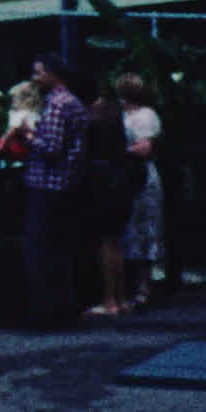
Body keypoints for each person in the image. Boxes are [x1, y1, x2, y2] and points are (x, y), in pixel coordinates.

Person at [22, 52, 89, 328]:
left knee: (42, 250)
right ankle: (63, 309)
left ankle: (48, 314)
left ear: (52, 74)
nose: (35, 78)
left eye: (38, 73)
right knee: (60, 249)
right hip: (65, 184)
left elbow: (51, 148)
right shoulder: (71, 101)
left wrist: (28, 136)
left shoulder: (58, 104)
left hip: (48, 185)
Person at [81, 96, 138, 319]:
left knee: (106, 243)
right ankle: (121, 298)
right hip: (121, 184)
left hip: (103, 186)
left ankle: (109, 300)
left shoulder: (96, 147)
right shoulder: (120, 144)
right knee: (117, 242)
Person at [114, 72, 164, 311]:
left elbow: (144, 148)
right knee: (130, 229)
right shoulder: (120, 115)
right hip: (125, 178)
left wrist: (118, 151)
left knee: (147, 227)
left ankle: (145, 286)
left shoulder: (146, 116)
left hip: (143, 177)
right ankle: (131, 286)